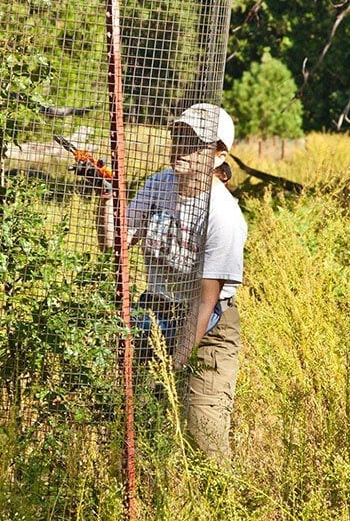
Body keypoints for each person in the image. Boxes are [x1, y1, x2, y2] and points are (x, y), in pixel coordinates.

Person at [97, 103, 247, 460]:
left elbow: (204, 302)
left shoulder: (223, 216)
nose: (179, 147)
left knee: (202, 428)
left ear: (218, 154)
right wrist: (106, 196)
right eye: (177, 137)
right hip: (156, 309)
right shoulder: (159, 183)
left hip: (208, 324)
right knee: (136, 417)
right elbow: (114, 241)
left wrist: (173, 365)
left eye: (193, 142)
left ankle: (220, 498)